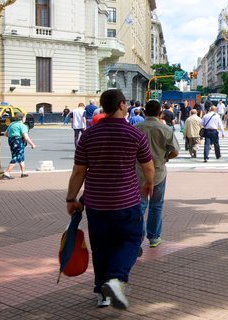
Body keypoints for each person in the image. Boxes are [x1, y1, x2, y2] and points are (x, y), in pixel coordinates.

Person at [66, 88, 154, 310]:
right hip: (126, 202)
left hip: (96, 203)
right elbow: (148, 166)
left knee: (101, 247)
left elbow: (78, 171)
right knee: (132, 241)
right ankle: (115, 280)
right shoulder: (135, 135)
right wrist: (148, 183)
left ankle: (101, 293)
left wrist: (71, 198)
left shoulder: (88, 135)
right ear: (122, 105)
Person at [135, 100, 178, 249]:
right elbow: (175, 151)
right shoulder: (164, 129)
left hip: (138, 172)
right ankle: (153, 237)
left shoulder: (135, 128)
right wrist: (165, 157)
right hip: (158, 171)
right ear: (160, 113)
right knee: (156, 205)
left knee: (139, 205)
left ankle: (136, 238)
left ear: (144, 112)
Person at [1, 113, 36, 179]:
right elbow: (26, 137)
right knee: (16, 157)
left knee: (20, 156)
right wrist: (32, 144)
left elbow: (5, 134)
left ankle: (23, 172)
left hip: (11, 141)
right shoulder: (22, 126)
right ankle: (6, 173)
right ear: (22, 118)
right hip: (18, 141)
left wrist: (13, 136)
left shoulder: (12, 124)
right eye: (24, 118)